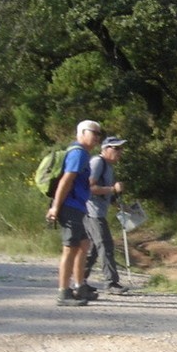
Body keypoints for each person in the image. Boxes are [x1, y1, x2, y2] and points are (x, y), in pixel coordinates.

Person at [46, 120, 102, 306]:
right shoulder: (78, 153)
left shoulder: (82, 154)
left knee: (84, 245)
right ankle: (64, 293)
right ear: (82, 133)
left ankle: (80, 287)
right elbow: (66, 181)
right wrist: (55, 206)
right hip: (69, 206)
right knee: (70, 249)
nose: (97, 137)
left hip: (77, 207)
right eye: (94, 133)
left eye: (98, 134)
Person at [85, 135, 129, 295]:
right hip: (91, 211)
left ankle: (79, 281)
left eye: (121, 148)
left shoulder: (108, 167)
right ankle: (111, 282)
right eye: (116, 148)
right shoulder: (98, 162)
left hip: (96, 211)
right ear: (105, 149)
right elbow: (89, 187)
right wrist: (113, 189)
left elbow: (105, 193)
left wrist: (119, 205)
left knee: (92, 249)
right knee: (105, 245)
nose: (120, 152)